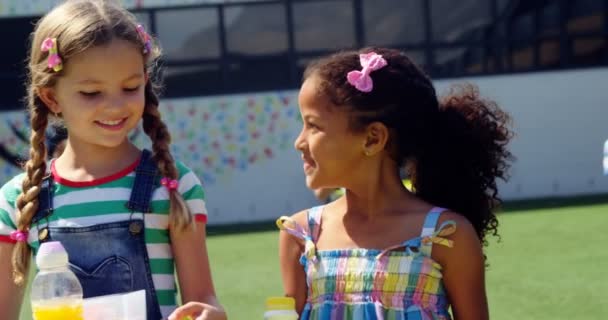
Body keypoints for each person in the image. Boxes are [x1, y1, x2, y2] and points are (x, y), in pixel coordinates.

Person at [0, 1, 225, 319]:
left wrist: (210, 313)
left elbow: (204, 300)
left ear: (145, 81)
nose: (115, 106)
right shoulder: (19, 201)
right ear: (52, 98)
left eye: (130, 87)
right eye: (92, 93)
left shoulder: (175, 187)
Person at [277, 48, 513, 319]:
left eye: (313, 126)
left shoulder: (445, 235)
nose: (299, 142)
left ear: (373, 139)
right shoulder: (301, 236)